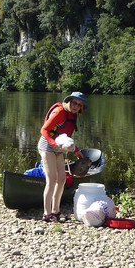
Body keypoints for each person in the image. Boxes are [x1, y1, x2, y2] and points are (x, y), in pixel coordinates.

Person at [38, 91, 87, 222]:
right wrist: (54, 144)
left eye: (79, 105)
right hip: (47, 146)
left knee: (62, 180)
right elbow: (44, 130)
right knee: (52, 179)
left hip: (59, 147)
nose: (76, 106)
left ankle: (56, 211)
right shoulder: (60, 112)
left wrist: (76, 150)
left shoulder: (73, 116)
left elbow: (66, 137)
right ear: (69, 101)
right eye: (74, 102)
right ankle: (47, 214)